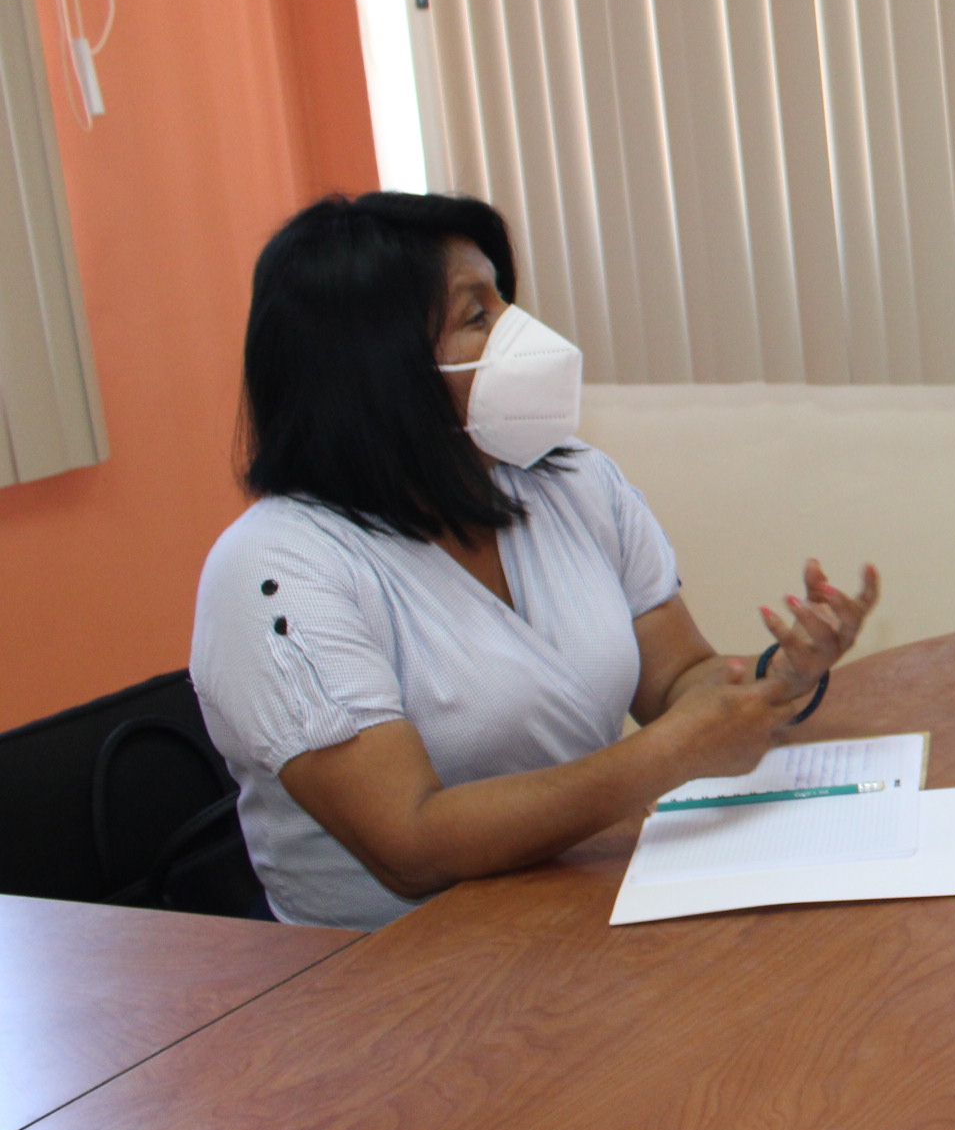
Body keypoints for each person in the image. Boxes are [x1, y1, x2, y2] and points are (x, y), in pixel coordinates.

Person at [189, 192, 880, 930]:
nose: (522, 332)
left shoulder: (569, 481)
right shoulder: (275, 573)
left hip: (577, 906)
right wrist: (666, 757)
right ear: (377, 369)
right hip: (390, 967)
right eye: (477, 315)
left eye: (505, 301)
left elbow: (676, 681)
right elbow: (409, 845)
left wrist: (780, 674)